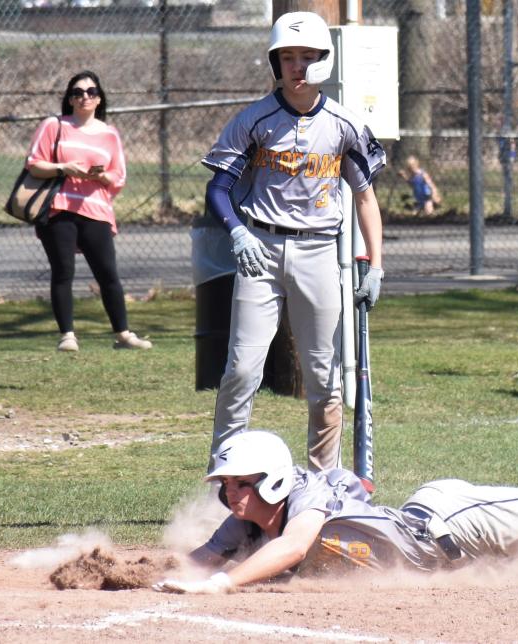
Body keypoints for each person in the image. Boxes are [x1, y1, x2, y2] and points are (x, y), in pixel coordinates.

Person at [151, 377, 518, 594]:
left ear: (273, 479)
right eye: (226, 488)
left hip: (455, 520)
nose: (232, 497)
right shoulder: (243, 521)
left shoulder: (305, 497)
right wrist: (128, 574)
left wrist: (223, 584)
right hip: (451, 559)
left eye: (242, 485)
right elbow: (197, 560)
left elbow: (295, 545)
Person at [203, 12, 386, 472]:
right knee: (241, 372)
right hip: (259, 252)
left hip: (320, 252)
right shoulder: (254, 120)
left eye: (307, 57)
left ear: (325, 61)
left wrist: (376, 265)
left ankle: (323, 483)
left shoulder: (345, 124)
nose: (297, 66)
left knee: (324, 378)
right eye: (287, 57)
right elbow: (218, 189)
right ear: (274, 62)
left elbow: (365, 197)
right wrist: (239, 232)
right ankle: (224, 479)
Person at [25, 70, 151, 353]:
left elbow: (118, 177)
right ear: (69, 99)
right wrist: (63, 168)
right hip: (58, 208)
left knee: (108, 273)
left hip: (96, 209)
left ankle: (123, 334)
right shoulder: (53, 125)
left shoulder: (109, 134)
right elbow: (34, 164)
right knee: (63, 271)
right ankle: (67, 335)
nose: (85, 97)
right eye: (78, 92)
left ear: (99, 99)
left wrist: (102, 177)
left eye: (91, 92)